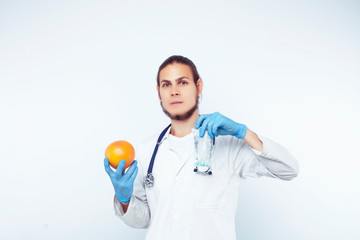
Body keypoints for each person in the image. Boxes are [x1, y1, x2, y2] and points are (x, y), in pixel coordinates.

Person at [104, 55, 299, 240]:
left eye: (182, 82)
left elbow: (289, 170)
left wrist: (243, 132)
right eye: (166, 84)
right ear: (159, 92)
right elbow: (145, 219)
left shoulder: (230, 146)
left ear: (199, 86)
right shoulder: (147, 151)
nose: (174, 91)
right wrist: (124, 199)